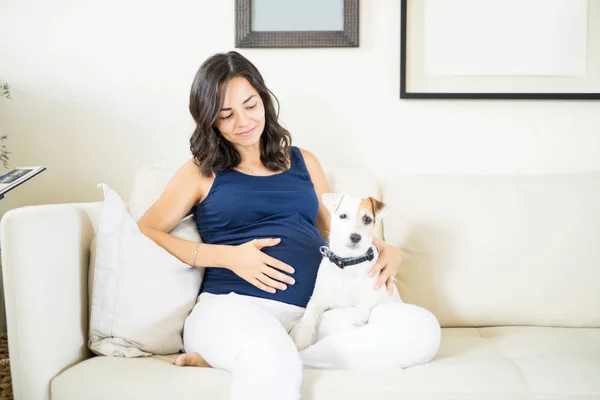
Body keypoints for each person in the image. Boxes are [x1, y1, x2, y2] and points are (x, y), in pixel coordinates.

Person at [137, 51, 441, 400]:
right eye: (226, 115)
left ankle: (262, 358)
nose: (243, 121)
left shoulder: (303, 161)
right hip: (235, 305)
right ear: (210, 121)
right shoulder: (200, 171)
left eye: (250, 105)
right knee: (270, 358)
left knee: (421, 331)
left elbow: (334, 235)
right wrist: (229, 257)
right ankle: (262, 356)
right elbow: (149, 229)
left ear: (264, 99)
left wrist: (388, 252)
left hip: (313, 313)